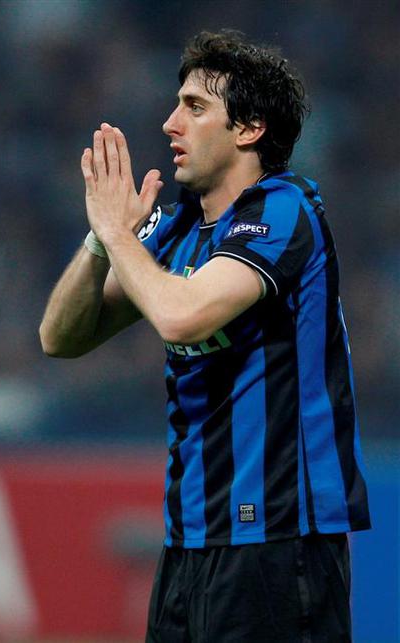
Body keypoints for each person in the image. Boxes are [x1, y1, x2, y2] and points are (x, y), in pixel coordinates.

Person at [40, 30, 370, 642]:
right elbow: (61, 336)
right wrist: (98, 242)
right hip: (188, 543)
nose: (170, 124)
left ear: (249, 129)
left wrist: (118, 236)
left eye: (194, 107)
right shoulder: (177, 229)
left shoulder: (283, 210)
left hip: (278, 543)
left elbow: (180, 316)